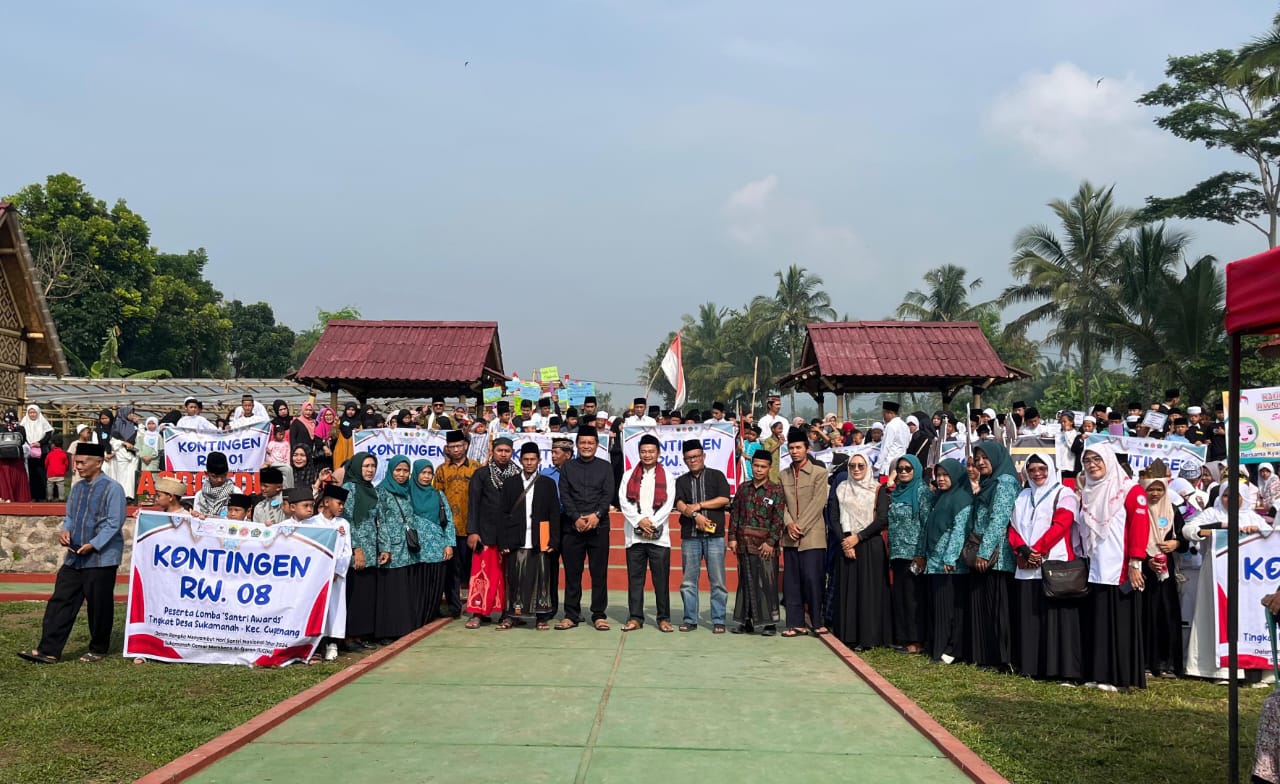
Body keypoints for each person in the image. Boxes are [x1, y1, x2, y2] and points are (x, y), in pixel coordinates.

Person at [17, 442, 127, 664]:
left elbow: (114, 523)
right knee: (61, 600)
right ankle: (48, 649)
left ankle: (98, 648)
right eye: (76, 462)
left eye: (82, 462)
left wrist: (94, 544)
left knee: (99, 605)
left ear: (98, 462)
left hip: (101, 557)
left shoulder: (113, 488)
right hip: (75, 555)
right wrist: (65, 530)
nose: (77, 466)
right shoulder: (77, 488)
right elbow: (69, 516)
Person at [1007, 453, 1083, 682]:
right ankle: (1032, 667)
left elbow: (1061, 524)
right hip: (1026, 567)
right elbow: (1011, 528)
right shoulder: (1023, 496)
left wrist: (1037, 550)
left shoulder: (1064, 494)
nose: (1037, 473)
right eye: (1032, 470)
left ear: (1051, 469)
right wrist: (1022, 550)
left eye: (1042, 468)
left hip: (1054, 564)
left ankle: (1062, 670)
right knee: (1031, 617)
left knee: (1057, 620)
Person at [1079, 443, 1148, 691]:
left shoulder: (1129, 490)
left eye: (1097, 459)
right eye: (1087, 460)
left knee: (1120, 625)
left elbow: (1140, 528)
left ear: (1109, 460)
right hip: (1096, 568)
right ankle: (1100, 675)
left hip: (1121, 570)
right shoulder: (1089, 491)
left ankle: (1121, 678)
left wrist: (1135, 563)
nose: (1092, 465)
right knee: (1099, 623)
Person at [831, 453, 892, 651]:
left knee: (869, 591)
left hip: (869, 543)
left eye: (860, 466)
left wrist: (858, 537)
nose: (856, 470)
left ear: (868, 468)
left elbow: (882, 518)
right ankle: (849, 635)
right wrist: (846, 542)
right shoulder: (841, 489)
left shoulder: (877, 489)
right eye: (852, 466)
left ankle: (869, 637)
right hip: (846, 544)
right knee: (849, 588)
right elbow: (833, 517)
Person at [913, 458, 972, 664]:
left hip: (950, 565)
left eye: (946, 475)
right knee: (939, 607)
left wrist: (950, 557)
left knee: (949, 609)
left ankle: (950, 650)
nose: (941, 479)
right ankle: (937, 648)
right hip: (935, 562)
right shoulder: (940, 498)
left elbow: (959, 530)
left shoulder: (962, 499)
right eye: (938, 475)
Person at [497, 443, 561, 629]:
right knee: (515, 579)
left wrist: (554, 540)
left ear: (539, 461)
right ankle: (511, 615)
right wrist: (503, 542)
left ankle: (541, 617)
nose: (529, 463)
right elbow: (502, 514)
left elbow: (554, 513)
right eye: (526, 459)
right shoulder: (511, 483)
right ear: (520, 460)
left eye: (533, 459)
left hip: (540, 538)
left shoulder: (547, 483)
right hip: (516, 538)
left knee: (541, 578)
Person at [557, 425, 614, 631]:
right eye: (583, 443)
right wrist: (576, 518)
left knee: (599, 573)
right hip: (573, 527)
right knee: (573, 573)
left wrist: (597, 515)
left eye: (590, 443)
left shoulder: (605, 467)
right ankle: (571, 614)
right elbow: (565, 495)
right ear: (577, 445)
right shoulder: (568, 468)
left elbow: (608, 494)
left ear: (597, 446)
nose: (587, 446)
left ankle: (599, 614)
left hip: (599, 526)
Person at [968, 442, 1019, 670]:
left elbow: (999, 520)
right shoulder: (990, 482)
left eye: (984, 457)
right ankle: (986, 655)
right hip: (984, 551)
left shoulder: (1005, 482)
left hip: (996, 556)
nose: (980, 462)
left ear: (997, 458)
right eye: (977, 458)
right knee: (985, 605)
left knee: (997, 606)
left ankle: (1001, 658)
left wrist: (984, 552)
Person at [674, 438, 732, 633]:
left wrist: (699, 505)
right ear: (684, 460)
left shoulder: (717, 476)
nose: (693, 460)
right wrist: (695, 515)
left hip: (714, 536)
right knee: (689, 581)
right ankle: (690, 619)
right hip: (690, 536)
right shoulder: (681, 480)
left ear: (703, 456)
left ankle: (718, 620)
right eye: (689, 458)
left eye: (696, 456)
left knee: (717, 580)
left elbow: (724, 499)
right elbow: (680, 504)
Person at [618, 435, 676, 632]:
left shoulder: (667, 475)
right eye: (644, 451)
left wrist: (651, 523)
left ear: (658, 453)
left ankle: (663, 618)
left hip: (659, 538)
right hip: (634, 537)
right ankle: (635, 617)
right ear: (639, 453)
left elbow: (669, 504)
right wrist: (639, 521)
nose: (647, 455)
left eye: (651, 451)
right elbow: (624, 502)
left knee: (661, 580)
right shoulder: (628, 475)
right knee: (635, 580)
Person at [1138, 460, 1187, 678]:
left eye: (1159, 489)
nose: (1155, 493)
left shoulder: (1172, 509)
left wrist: (1175, 544)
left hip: (1166, 571)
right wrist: (1147, 558)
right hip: (1144, 570)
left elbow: (1183, 538)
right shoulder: (1138, 510)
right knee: (1147, 616)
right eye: (1151, 489)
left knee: (1168, 615)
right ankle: (1148, 663)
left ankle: (1169, 664)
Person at [465, 437, 519, 629]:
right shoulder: (480, 474)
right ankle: (478, 613)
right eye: (499, 451)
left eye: (507, 451)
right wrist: (472, 531)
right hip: (485, 533)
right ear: (493, 451)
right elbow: (473, 505)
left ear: (512, 452)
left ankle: (507, 613)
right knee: (482, 575)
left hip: (510, 536)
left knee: (508, 576)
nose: (503, 454)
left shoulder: (518, 475)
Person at [780, 427, 829, 638]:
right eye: (791, 448)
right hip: (790, 537)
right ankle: (795, 623)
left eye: (798, 447)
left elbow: (819, 502)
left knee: (813, 580)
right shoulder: (783, 475)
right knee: (792, 582)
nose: (794, 451)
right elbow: (780, 504)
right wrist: (789, 524)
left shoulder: (820, 473)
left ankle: (817, 622)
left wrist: (800, 526)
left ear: (807, 449)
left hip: (812, 536)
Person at [729, 450, 784, 635]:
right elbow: (735, 515)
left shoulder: (775, 490)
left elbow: (778, 519)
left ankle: (769, 624)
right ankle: (746, 621)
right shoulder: (743, 489)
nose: (759, 470)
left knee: (767, 583)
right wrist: (732, 538)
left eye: (763, 466)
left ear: (769, 468)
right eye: (756, 466)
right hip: (744, 544)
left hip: (766, 547)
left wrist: (771, 542)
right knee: (746, 582)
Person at [371, 456, 418, 641]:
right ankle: (387, 631)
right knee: (390, 589)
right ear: (390, 471)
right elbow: (379, 521)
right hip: (391, 548)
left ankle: (403, 628)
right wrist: (385, 547)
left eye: (405, 471)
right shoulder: (381, 491)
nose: (401, 474)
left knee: (403, 589)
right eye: (398, 470)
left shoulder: (407, 491)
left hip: (407, 549)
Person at [342, 452, 385, 648]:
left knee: (366, 594)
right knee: (355, 594)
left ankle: (360, 636)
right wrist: (356, 549)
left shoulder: (371, 490)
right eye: (366, 466)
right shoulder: (349, 489)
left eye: (372, 466)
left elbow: (378, 521)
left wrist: (382, 548)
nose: (370, 470)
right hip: (355, 550)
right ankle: (349, 636)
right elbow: (347, 521)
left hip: (371, 549)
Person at [435, 430, 479, 618]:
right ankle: (454, 607)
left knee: (473, 569)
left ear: (466, 446)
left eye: (459, 446)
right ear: (447, 449)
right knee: (452, 571)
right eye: (452, 447)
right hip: (450, 529)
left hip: (470, 528)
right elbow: (436, 498)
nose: (456, 450)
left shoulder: (476, 468)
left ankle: (475, 606)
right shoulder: (442, 470)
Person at [887, 455, 929, 653]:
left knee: (914, 597)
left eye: (908, 469)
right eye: (900, 469)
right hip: (897, 552)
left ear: (916, 470)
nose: (903, 472)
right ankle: (903, 637)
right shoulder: (897, 492)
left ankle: (916, 640)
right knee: (901, 595)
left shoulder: (922, 492)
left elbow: (926, 524)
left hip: (914, 553)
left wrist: (921, 554)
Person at [307, 484, 353, 661]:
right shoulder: (312, 523)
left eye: (343, 504)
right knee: (318, 609)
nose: (342, 507)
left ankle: (333, 643)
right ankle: (318, 644)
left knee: (335, 608)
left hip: (335, 577)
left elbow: (346, 551)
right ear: (326, 502)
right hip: (317, 576)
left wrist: (337, 571)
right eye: (339, 503)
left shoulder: (344, 524)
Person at [406, 460, 453, 627]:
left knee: (435, 582)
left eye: (429, 473)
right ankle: (416, 617)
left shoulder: (438, 495)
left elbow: (448, 521)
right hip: (417, 549)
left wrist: (448, 544)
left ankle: (430, 614)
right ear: (415, 474)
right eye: (423, 473)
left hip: (436, 547)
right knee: (418, 583)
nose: (426, 477)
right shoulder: (407, 494)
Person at [21, 404, 54, 501]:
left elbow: (48, 434)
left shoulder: (42, 422)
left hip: (41, 452)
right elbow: (21, 434)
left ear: (38, 412)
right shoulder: (24, 423)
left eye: (34, 412)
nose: (32, 415)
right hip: (29, 451)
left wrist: (40, 443)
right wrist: (29, 443)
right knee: (31, 474)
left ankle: (42, 496)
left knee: (41, 473)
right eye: (30, 413)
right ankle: (32, 495)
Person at [193, 452, 235, 517]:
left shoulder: (235, 492)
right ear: (206, 474)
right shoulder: (200, 495)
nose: (219, 480)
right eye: (215, 476)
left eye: (223, 475)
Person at [875, 401, 910, 476]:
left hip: (888, 467)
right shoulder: (905, 426)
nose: (883, 417)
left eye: (884, 414)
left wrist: (877, 465)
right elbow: (907, 445)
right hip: (900, 465)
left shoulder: (890, 426)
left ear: (890, 413)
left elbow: (885, 447)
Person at [44, 435, 70, 502]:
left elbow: (46, 463)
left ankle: (49, 497)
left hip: (51, 473)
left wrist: (46, 468)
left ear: (53, 445)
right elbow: (66, 464)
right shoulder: (63, 454)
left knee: (50, 486)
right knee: (61, 486)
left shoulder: (50, 454)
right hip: (60, 473)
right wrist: (65, 469)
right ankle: (61, 498)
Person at [137, 416, 163, 481]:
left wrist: (151, 457)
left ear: (156, 424)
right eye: (149, 423)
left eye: (153, 423)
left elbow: (161, 449)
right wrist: (143, 456)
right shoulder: (143, 435)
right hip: (144, 461)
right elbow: (138, 448)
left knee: (152, 476)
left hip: (154, 461)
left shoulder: (158, 436)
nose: (151, 425)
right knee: (144, 477)